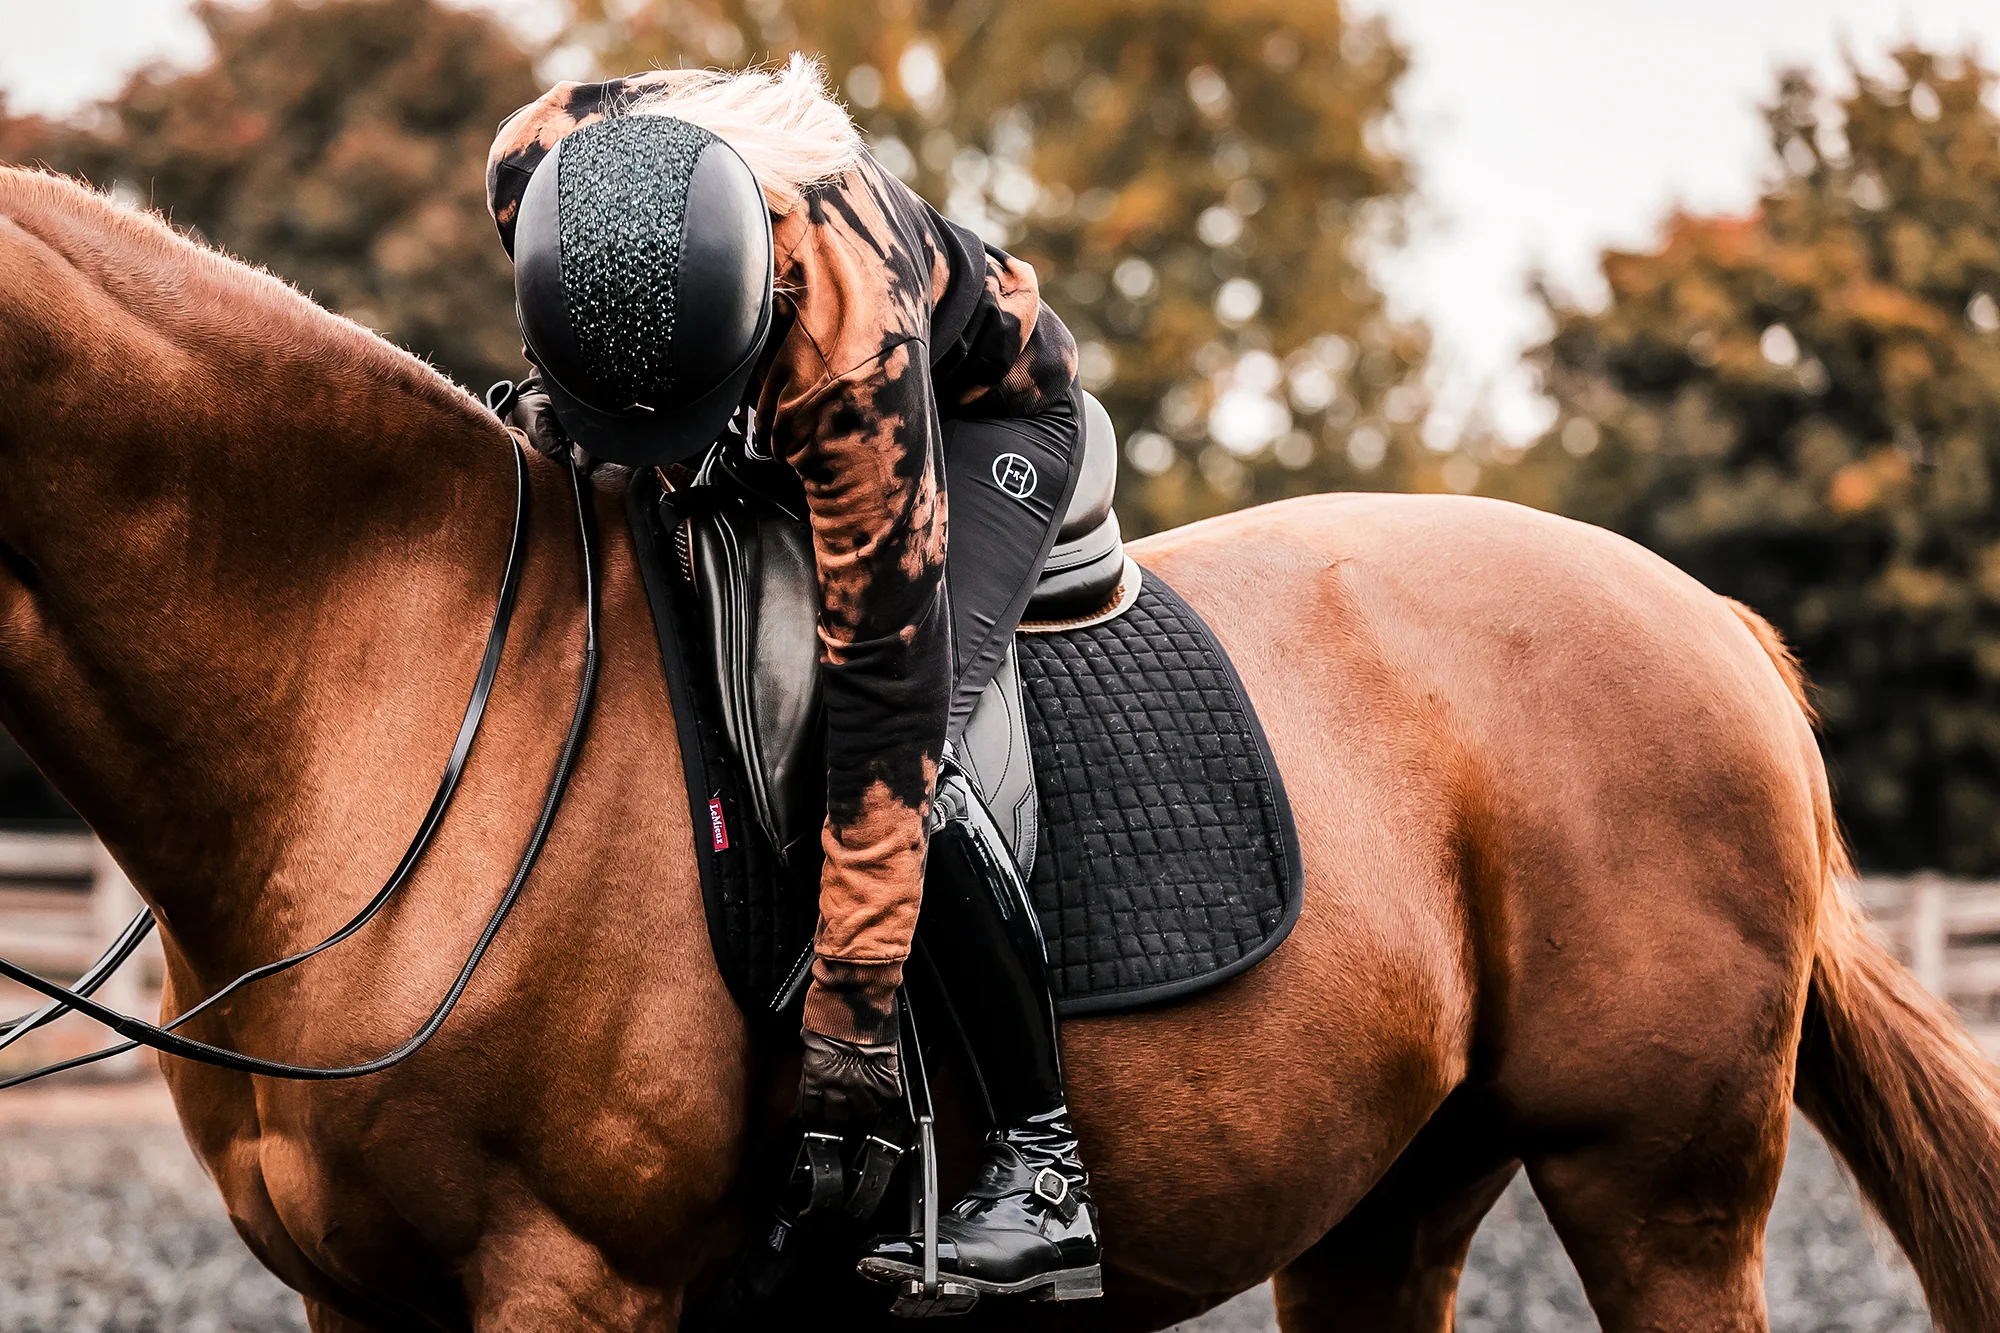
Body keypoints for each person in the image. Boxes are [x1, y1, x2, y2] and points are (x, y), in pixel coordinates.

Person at [485, 57, 1101, 1303]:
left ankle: (1044, 1169)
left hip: (986, 422)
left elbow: (889, 698)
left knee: (863, 753)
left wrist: (851, 1014)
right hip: (733, 405)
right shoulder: (530, 170)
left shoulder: (848, 345)